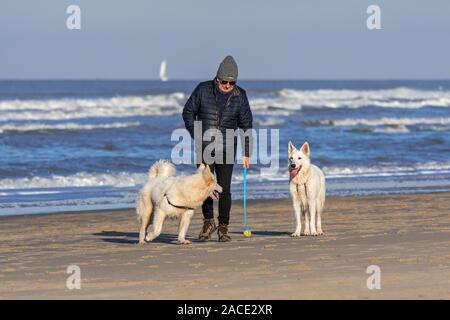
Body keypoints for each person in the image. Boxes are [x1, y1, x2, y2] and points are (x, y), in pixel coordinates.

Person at [182, 55, 253, 242]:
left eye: (232, 82)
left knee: (224, 189)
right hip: (204, 146)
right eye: (224, 82)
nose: (228, 85)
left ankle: (223, 227)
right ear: (217, 78)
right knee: (204, 187)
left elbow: (246, 125)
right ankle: (208, 222)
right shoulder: (203, 89)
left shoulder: (240, 95)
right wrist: (197, 135)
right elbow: (188, 111)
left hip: (228, 147)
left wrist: (247, 152)